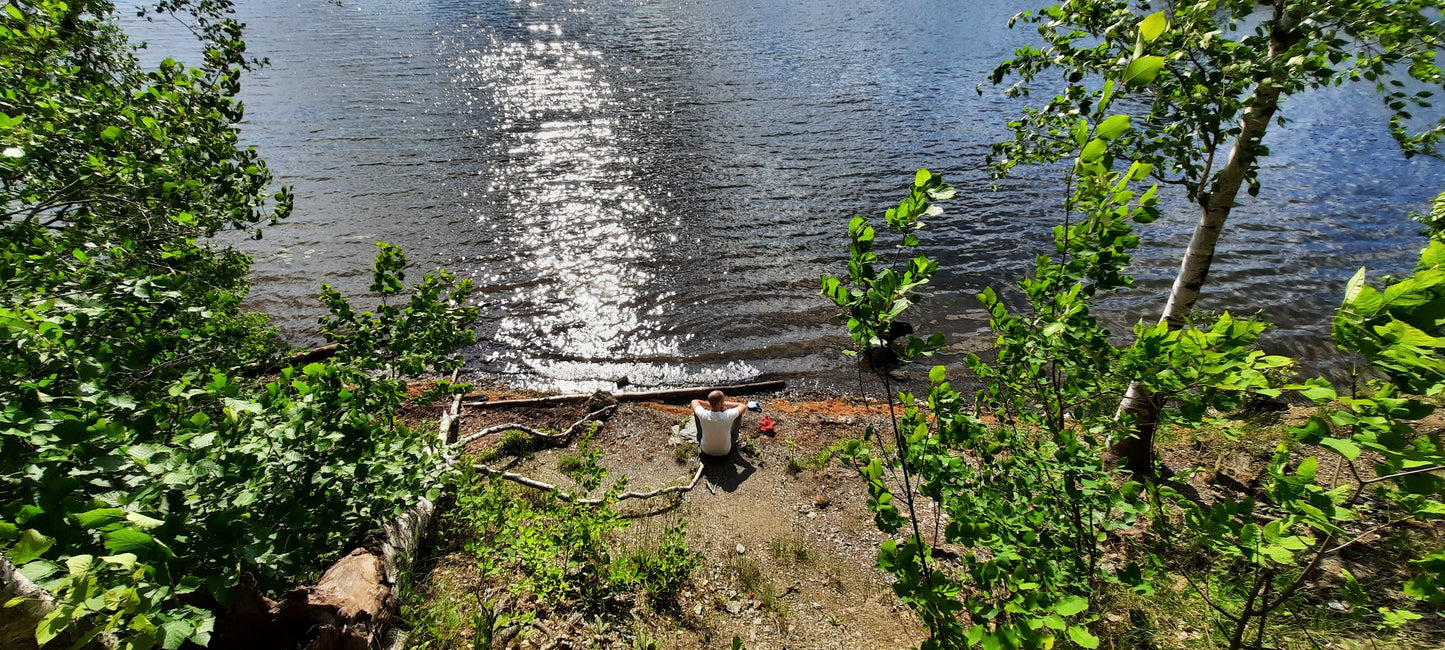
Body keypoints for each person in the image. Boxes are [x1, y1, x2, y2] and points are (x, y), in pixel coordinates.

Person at [691, 390, 746, 456]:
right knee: (738, 414)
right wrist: (726, 404)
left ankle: (700, 434)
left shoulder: (703, 414)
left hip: (705, 450)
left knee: (696, 411)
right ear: (720, 403)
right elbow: (743, 406)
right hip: (725, 451)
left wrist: (710, 404)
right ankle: (734, 434)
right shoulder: (728, 415)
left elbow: (694, 401)